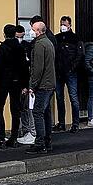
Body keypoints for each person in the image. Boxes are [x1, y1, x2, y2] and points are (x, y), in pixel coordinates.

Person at [0, 24, 27, 148]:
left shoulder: (2, 48)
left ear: (4, 34)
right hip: (16, 83)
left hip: (3, 83)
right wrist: (24, 84)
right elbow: (24, 68)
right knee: (15, 110)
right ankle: (14, 138)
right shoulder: (20, 48)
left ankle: (1, 139)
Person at [26, 20, 56, 154]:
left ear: (39, 31)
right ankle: (47, 141)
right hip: (50, 83)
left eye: (33, 29)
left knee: (38, 112)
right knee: (46, 113)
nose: (31, 31)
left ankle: (40, 143)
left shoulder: (39, 45)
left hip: (43, 84)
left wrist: (32, 84)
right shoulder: (48, 42)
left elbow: (38, 68)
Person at [54, 16, 81, 133]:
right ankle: (61, 123)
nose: (63, 26)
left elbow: (80, 55)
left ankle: (75, 123)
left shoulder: (75, 38)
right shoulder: (57, 38)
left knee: (73, 98)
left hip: (71, 72)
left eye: (65, 24)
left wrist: (72, 68)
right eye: (61, 24)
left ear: (70, 25)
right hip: (59, 72)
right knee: (59, 98)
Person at [15, 25, 35, 145]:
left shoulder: (28, 47)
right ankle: (25, 130)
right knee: (22, 108)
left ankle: (31, 132)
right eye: (18, 37)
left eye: (22, 37)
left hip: (27, 82)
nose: (20, 39)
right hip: (20, 82)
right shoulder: (15, 47)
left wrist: (28, 86)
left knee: (29, 108)